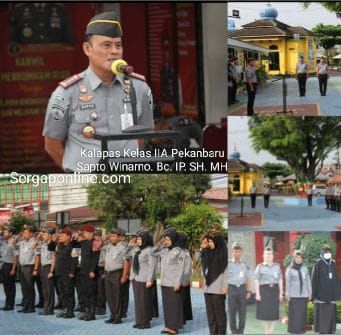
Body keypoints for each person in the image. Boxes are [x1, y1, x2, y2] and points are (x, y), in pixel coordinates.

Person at [43, 11, 154, 172]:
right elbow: (52, 145)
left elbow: (144, 135)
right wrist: (79, 173)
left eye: (118, 45)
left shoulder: (139, 87)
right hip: (85, 184)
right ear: (87, 49)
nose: (115, 51)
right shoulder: (67, 92)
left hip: (129, 181)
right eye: (106, 45)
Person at [151, 229, 186, 335]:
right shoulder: (165, 250)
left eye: (168, 239)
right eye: (165, 239)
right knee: (167, 306)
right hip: (165, 283)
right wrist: (159, 243)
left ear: (173, 239)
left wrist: (177, 283)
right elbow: (152, 253)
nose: (166, 241)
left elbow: (181, 269)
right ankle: (168, 326)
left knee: (174, 306)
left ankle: (174, 328)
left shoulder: (179, 251)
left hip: (173, 284)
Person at [200, 231, 228, 335]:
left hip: (218, 289)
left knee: (220, 316)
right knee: (211, 316)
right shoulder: (207, 252)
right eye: (209, 241)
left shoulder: (223, 253)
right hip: (208, 289)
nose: (210, 244)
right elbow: (198, 261)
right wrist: (202, 248)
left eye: (211, 242)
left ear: (217, 241)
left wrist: (225, 287)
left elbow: (226, 271)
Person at [129, 230, 157, 329]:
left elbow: (152, 266)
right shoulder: (137, 250)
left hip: (145, 279)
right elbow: (129, 258)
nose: (138, 240)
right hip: (136, 278)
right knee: (138, 301)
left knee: (144, 301)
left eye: (140, 239)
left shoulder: (150, 250)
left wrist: (150, 280)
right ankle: (139, 321)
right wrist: (131, 245)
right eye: (138, 239)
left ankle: (145, 322)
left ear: (145, 239)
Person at [311, 244, 341, 334]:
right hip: (321, 295)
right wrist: (314, 294)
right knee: (322, 318)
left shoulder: (333, 263)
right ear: (322, 253)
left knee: (330, 318)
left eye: (329, 252)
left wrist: (337, 293)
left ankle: (329, 330)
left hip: (331, 295)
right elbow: (314, 279)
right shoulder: (318, 263)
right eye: (326, 252)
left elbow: (335, 278)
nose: (328, 254)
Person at [102, 228, 129, 324]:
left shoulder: (124, 247)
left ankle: (118, 317)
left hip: (117, 273)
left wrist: (124, 276)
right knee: (109, 296)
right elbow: (105, 258)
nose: (111, 238)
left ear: (119, 237)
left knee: (117, 296)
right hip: (108, 273)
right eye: (111, 236)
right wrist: (105, 272)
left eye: (113, 236)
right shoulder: (108, 246)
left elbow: (126, 262)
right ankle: (112, 315)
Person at [254, 246, 283, 335]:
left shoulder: (277, 267)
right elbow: (256, 280)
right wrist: (257, 293)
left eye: (270, 254)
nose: (268, 256)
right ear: (263, 255)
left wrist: (281, 293)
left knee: (274, 313)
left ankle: (271, 331)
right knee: (265, 313)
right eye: (266, 254)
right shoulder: (259, 267)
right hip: (264, 291)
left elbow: (280, 280)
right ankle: (266, 331)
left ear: (272, 256)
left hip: (274, 290)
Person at [76, 225, 101, 321]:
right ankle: (86, 312)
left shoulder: (94, 243)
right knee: (84, 293)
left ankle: (92, 313)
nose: (84, 234)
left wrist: (92, 270)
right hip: (83, 271)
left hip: (90, 272)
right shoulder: (84, 243)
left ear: (91, 233)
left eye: (85, 233)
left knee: (91, 293)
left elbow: (95, 258)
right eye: (83, 233)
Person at [14, 226, 40, 313]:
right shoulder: (22, 242)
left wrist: (35, 269)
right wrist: (19, 235)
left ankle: (31, 307)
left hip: (29, 267)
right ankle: (25, 306)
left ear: (31, 233)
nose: (24, 234)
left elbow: (37, 256)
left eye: (26, 233)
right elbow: (13, 243)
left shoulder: (35, 242)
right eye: (23, 233)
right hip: (22, 267)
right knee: (24, 288)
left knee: (29, 288)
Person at [227, 242, 251, 334]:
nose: (236, 253)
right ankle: (234, 331)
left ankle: (241, 331)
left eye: (238, 251)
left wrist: (248, 291)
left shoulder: (244, 264)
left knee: (242, 312)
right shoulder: (228, 264)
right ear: (232, 252)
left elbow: (248, 278)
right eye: (235, 251)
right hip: (231, 289)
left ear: (241, 252)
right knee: (231, 311)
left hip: (242, 289)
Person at [285, 250, 312, 334]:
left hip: (303, 295)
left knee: (302, 314)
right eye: (297, 257)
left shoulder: (305, 268)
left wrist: (310, 292)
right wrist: (287, 294)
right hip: (293, 295)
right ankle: (294, 330)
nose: (298, 259)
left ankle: (301, 330)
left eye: (300, 257)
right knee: (294, 314)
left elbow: (308, 281)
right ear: (294, 258)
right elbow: (288, 282)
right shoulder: (290, 269)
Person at [53, 228, 78, 318]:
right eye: (60, 235)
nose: (60, 237)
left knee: (68, 293)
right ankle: (65, 309)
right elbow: (51, 247)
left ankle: (70, 311)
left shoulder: (72, 246)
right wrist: (56, 240)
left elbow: (75, 260)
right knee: (62, 293)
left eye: (63, 235)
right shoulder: (61, 246)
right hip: (60, 273)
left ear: (68, 236)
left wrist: (72, 272)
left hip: (67, 273)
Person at [37, 228, 56, 315]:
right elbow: (33, 246)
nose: (43, 236)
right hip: (43, 267)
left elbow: (54, 258)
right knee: (44, 290)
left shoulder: (53, 245)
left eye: (45, 234)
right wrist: (39, 237)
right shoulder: (43, 244)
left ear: (50, 235)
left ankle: (50, 309)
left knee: (49, 290)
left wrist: (51, 271)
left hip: (49, 267)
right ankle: (46, 308)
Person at [0, 225, 18, 311]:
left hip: (10, 265)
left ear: (11, 233)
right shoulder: (4, 241)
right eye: (4, 231)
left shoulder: (13, 241)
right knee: (5, 285)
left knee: (10, 286)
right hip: (4, 264)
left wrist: (13, 268)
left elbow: (15, 256)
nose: (4, 233)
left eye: (6, 232)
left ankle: (11, 305)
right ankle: (7, 304)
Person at [117, 228, 130, 319]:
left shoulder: (126, 247)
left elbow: (128, 261)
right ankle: (120, 310)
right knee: (119, 293)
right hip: (119, 271)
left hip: (124, 271)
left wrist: (126, 274)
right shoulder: (114, 246)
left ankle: (123, 311)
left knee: (123, 293)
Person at [94, 229, 106, 315]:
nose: (96, 238)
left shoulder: (104, 246)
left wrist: (105, 272)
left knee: (101, 290)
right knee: (94, 289)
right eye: (95, 237)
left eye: (98, 237)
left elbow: (106, 260)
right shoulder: (92, 245)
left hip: (101, 269)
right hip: (94, 269)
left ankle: (101, 308)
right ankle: (95, 306)